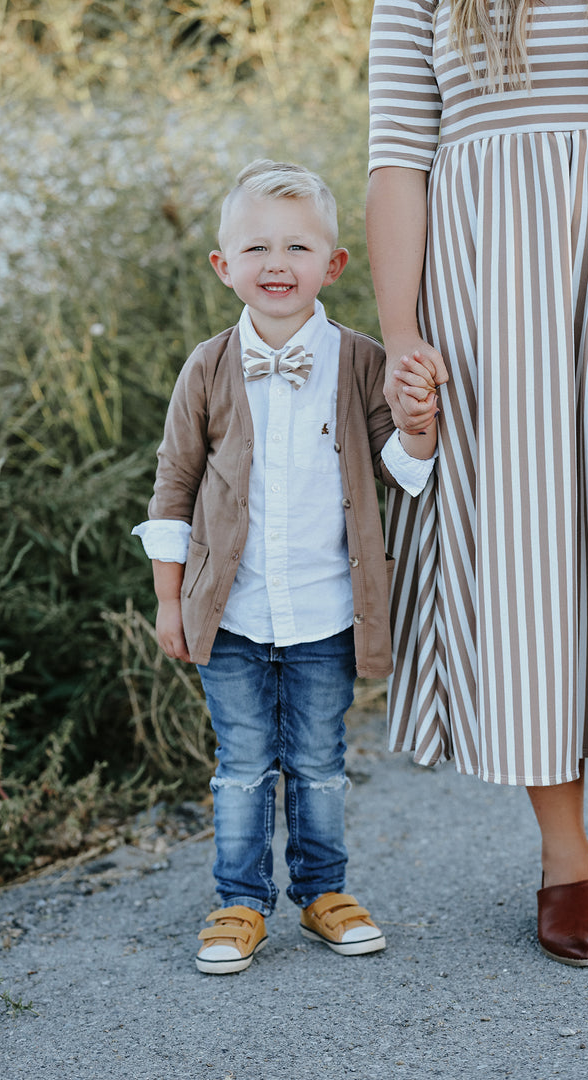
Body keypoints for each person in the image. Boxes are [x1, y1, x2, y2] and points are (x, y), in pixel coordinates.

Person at [366, 0, 588, 967]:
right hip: (491, 282)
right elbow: (399, 159)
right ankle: (563, 856)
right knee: (523, 545)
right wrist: (404, 333)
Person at [133, 159, 439, 974]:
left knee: (316, 762)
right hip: (229, 611)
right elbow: (174, 485)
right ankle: (239, 900)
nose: (277, 263)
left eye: (298, 246)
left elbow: (401, 471)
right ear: (223, 265)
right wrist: (170, 602)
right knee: (240, 766)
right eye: (257, 247)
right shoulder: (206, 366)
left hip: (325, 610)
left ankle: (323, 893)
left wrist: (417, 429)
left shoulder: (361, 360)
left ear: (332, 266)